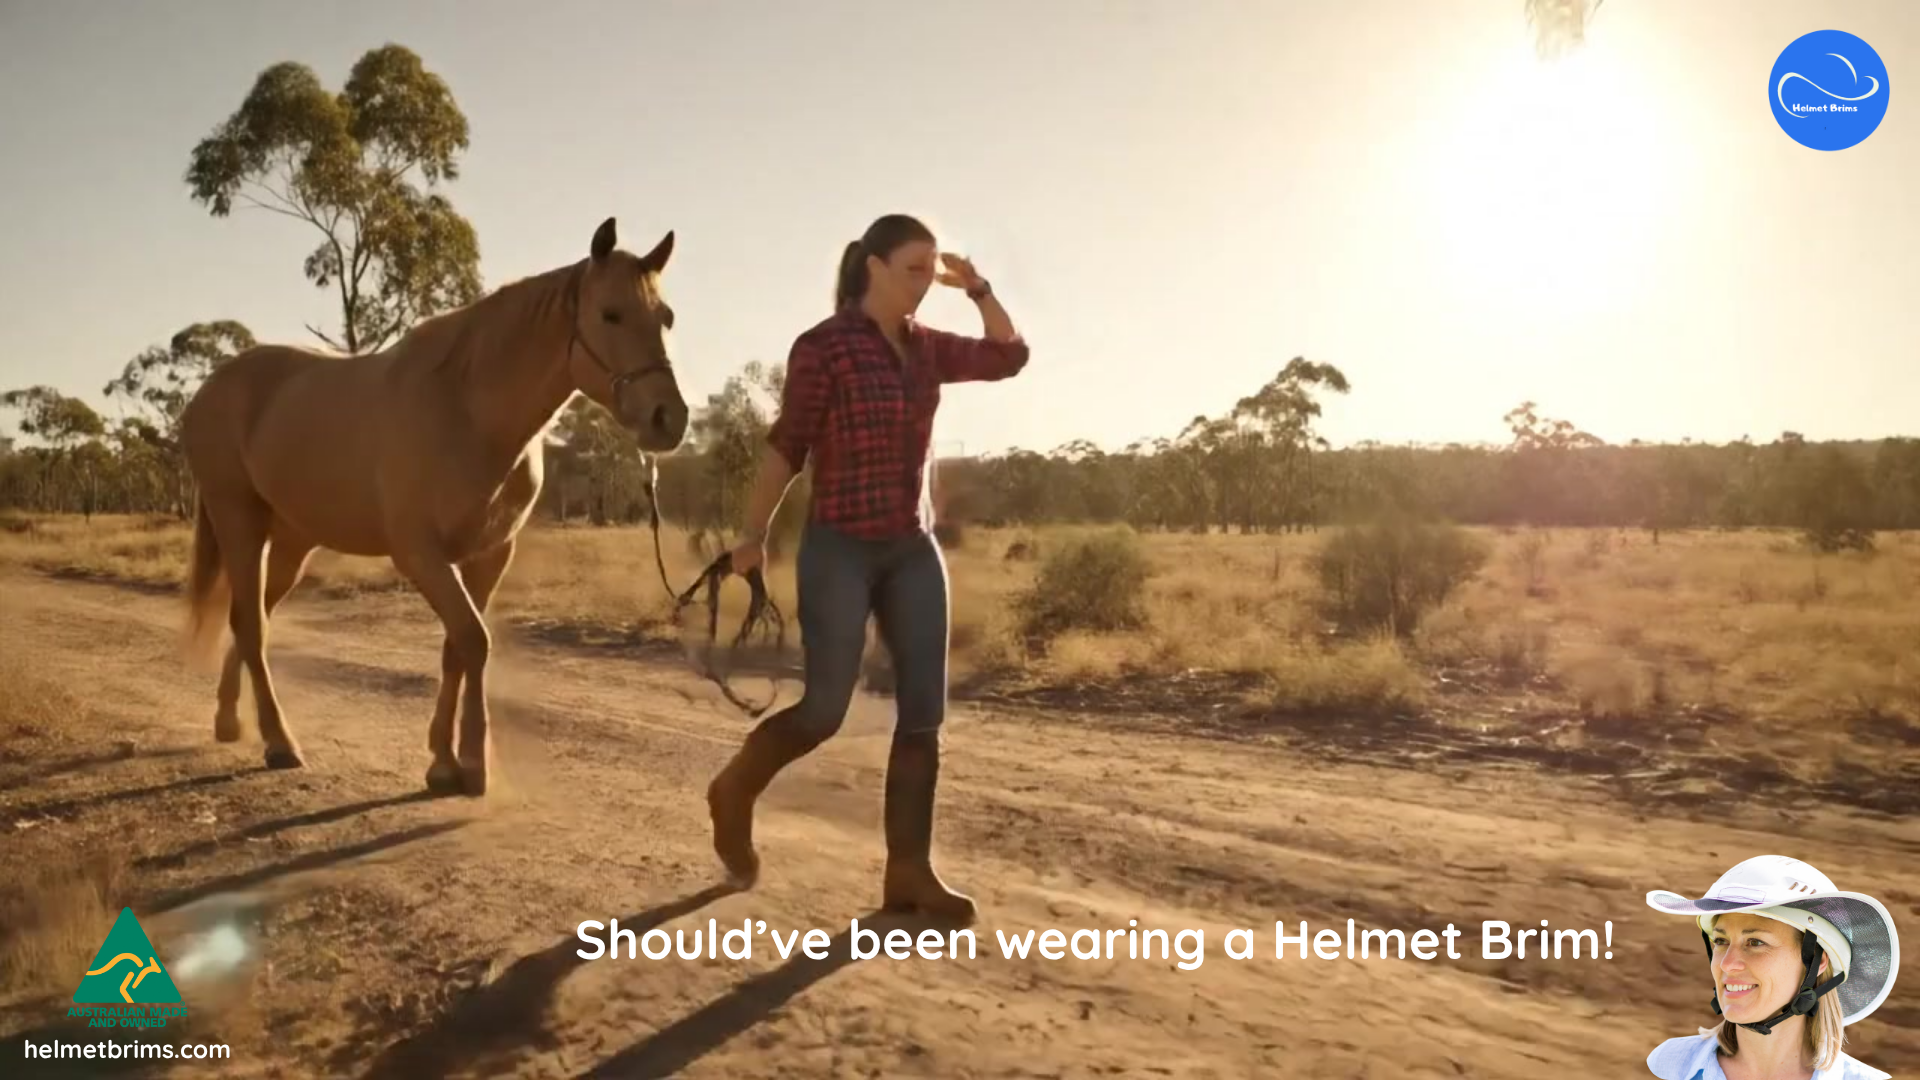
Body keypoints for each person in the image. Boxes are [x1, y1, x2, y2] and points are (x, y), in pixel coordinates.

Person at [704, 213, 1031, 924]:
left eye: (931, 271)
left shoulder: (925, 350)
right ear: (873, 267)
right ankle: (733, 791)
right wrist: (752, 535)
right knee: (823, 709)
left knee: (922, 718)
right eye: (914, 269)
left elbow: (1010, 356)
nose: (924, 284)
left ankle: (908, 876)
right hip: (840, 548)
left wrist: (978, 288)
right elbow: (787, 447)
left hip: (912, 549)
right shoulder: (824, 349)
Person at [1644, 854, 1899, 1080]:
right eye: (1721, 941)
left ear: (1817, 961)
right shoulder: (1668, 1068)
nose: (1727, 964)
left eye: (1755, 942)